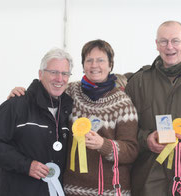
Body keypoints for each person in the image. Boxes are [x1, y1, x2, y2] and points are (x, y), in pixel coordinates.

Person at [8, 40, 139, 195]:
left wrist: (103, 144)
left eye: (101, 60)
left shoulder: (123, 104)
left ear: (110, 65)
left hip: (110, 191)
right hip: (71, 189)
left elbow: (131, 151)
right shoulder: (69, 92)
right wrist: (22, 94)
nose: (94, 65)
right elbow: (42, 97)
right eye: (89, 60)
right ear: (83, 66)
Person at [125, 20, 181, 196]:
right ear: (156, 45)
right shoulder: (138, 82)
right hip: (147, 182)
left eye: (175, 41)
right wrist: (146, 139)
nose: (169, 47)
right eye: (163, 41)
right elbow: (125, 130)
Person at [0, 48, 74, 196]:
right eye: (53, 72)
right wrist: (26, 165)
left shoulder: (70, 110)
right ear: (40, 74)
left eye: (64, 73)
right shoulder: (16, 105)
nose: (59, 79)